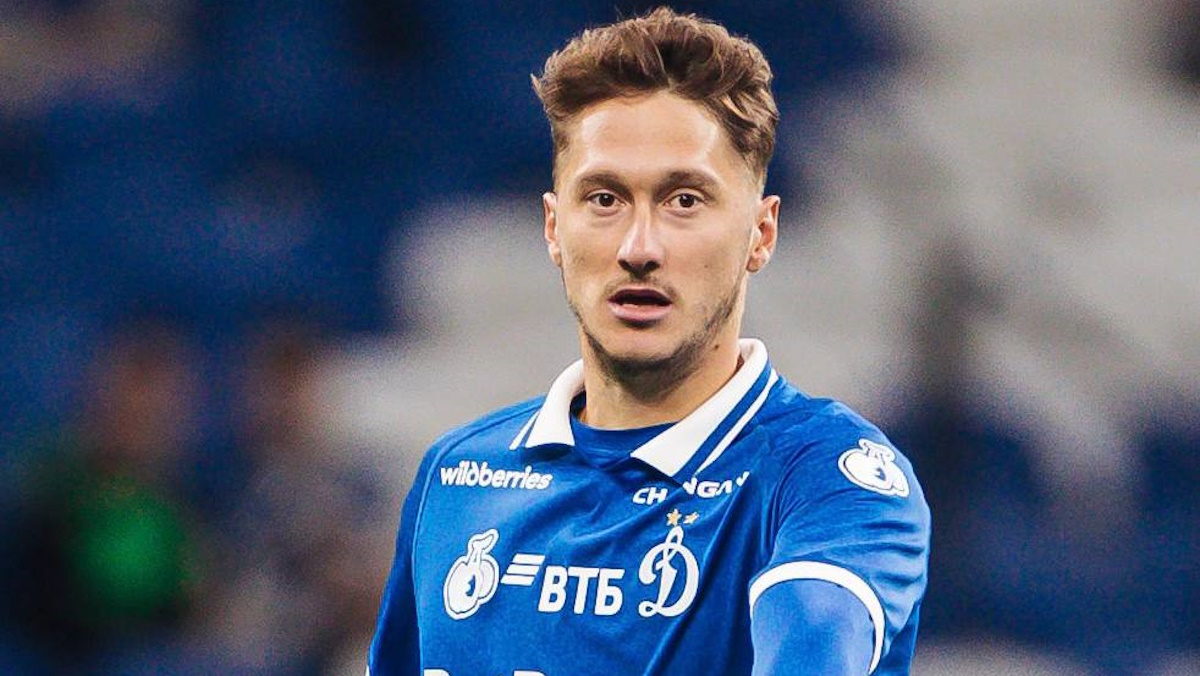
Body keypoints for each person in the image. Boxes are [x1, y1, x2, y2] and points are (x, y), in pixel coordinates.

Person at [369, 7, 929, 675]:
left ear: (761, 233)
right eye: (604, 199)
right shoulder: (456, 475)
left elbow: (815, 635)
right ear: (553, 228)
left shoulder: (823, 476)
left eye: (684, 200)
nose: (639, 247)